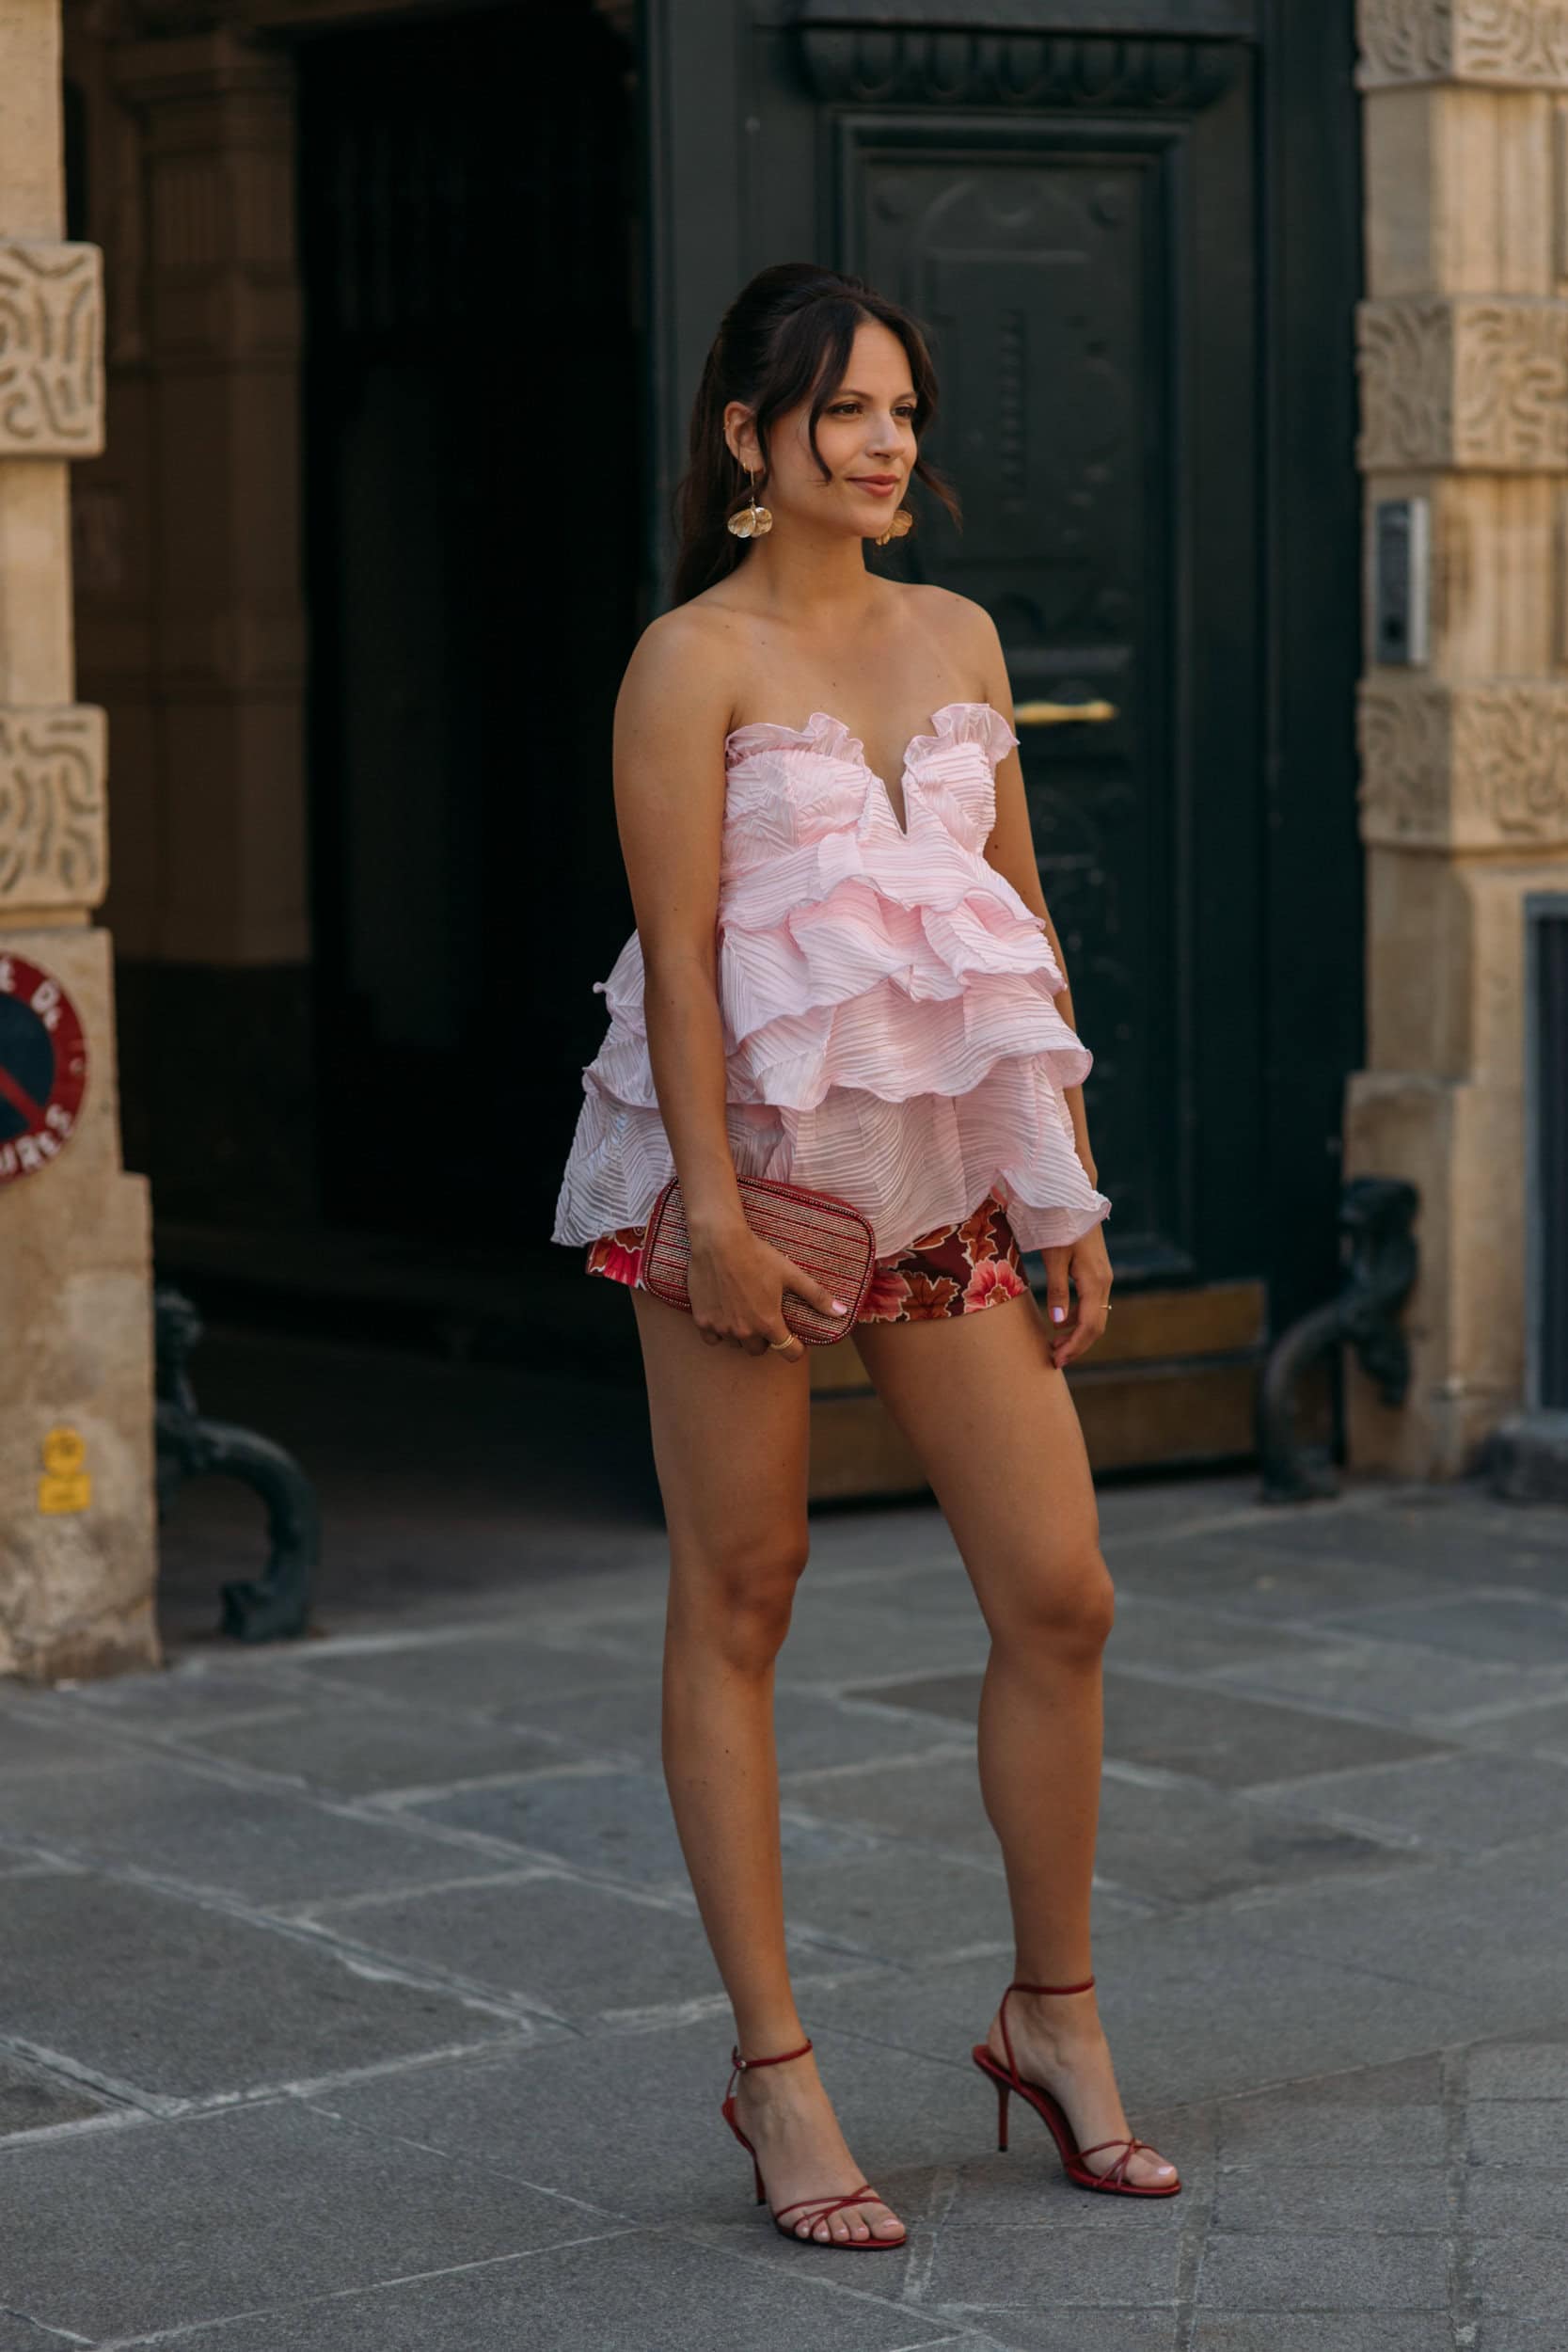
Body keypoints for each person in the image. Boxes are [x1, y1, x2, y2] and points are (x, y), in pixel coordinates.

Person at [551, 262, 1179, 2249]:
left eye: (902, 408)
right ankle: (777, 2070)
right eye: (844, 410)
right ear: (750, 437)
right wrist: (718, 1220)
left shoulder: (959, 632)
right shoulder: (689, 661)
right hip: (741, 1190)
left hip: (944, 1190)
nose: (886, 441)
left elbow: (1016, 921)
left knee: (1061, 1593)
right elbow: (678, 965)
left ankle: (1051, 2016)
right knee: (746, 1591)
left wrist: (1063, 1186)